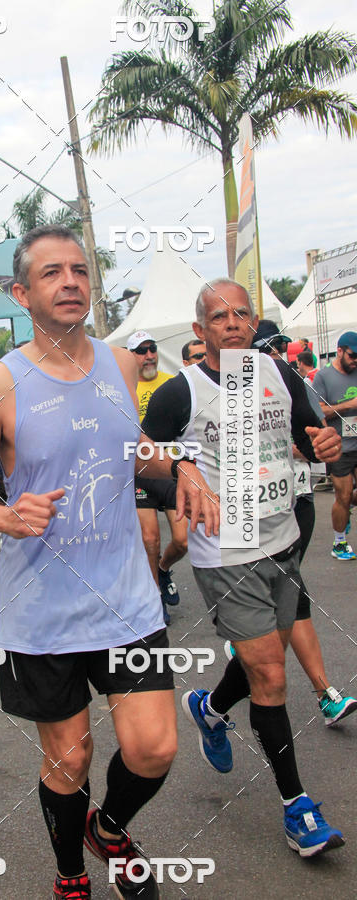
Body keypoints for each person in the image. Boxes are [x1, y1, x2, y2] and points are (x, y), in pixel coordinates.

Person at [0, 224, 218, 900]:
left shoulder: (124, 364)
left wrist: (178, 463)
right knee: (70, 757)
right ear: (22, 292)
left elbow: (132, 448)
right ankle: (71, 876)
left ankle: (111, 828)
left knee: (154, 748)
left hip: (126, 599)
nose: (70, 282)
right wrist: (4, 515)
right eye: (53, 273)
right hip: (46, 610)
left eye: (80, 271)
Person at [143, 277, 346, 858]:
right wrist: (180, 475)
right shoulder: (178, 392)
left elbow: (311, 436)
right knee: (273, 677)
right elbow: (140, 455)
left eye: (241, 314)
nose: (232, 323)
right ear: (200, 329)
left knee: (268, 660)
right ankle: (297, 809)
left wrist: (325, 445)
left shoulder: (280, 374)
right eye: (218, 316)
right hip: (225, 553)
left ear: (253, 322)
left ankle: (209, 708)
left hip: (283, 539)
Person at [242, 323, 357, 725]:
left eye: (280, 347)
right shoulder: (227, 391)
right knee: (289, 601)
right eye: (266, 348)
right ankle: (322, 691)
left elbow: (312, 433)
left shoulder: (290, 381)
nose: (275, 354)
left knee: (290, 597)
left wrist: (317, 443)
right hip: (250, 517)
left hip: (298, 501)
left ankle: (319, 689)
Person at [127, 331, 186, 621]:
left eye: (152, 349)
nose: (148, 355)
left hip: (170, 472)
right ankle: (154, 598)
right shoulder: (124, 389)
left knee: (182, 540)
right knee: (150, 540)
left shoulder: (174, 385)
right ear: (131, 356)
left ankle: (162, 571)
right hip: (139, 474)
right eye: (140, 351)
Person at [312, 332, 357, 560]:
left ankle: (346, 508)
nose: (355, 360)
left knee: (348, 497)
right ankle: (339, 543)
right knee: (343, 493)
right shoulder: (323, 376)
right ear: (339, 351)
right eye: (352, 355)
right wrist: (350, 404)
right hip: (339, 446)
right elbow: (320, 410)